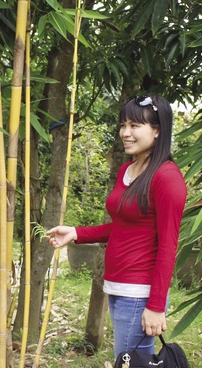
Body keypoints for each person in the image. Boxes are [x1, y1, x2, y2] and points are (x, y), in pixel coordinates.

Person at [47, 95, 187, 359]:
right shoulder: (129, 169)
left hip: (139, 291)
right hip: (119, 286)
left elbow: (169, 246)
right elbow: (123, 228)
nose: (125, 133)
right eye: (123, 125)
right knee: (131, 360)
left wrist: (156, 305)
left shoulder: (167, 177)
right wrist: (77, 233)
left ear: (157, 130)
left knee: (130, 361)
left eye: (135, 126)